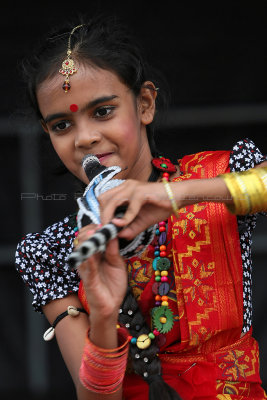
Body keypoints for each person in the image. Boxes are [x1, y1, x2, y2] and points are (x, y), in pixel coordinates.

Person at [15, 15, 267, 400]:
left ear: (144, 104)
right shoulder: (54, 250)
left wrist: (174, 196)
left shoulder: (216, 179)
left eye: (102, 112)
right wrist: (102, 316)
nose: (85, 138)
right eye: (62, 125)